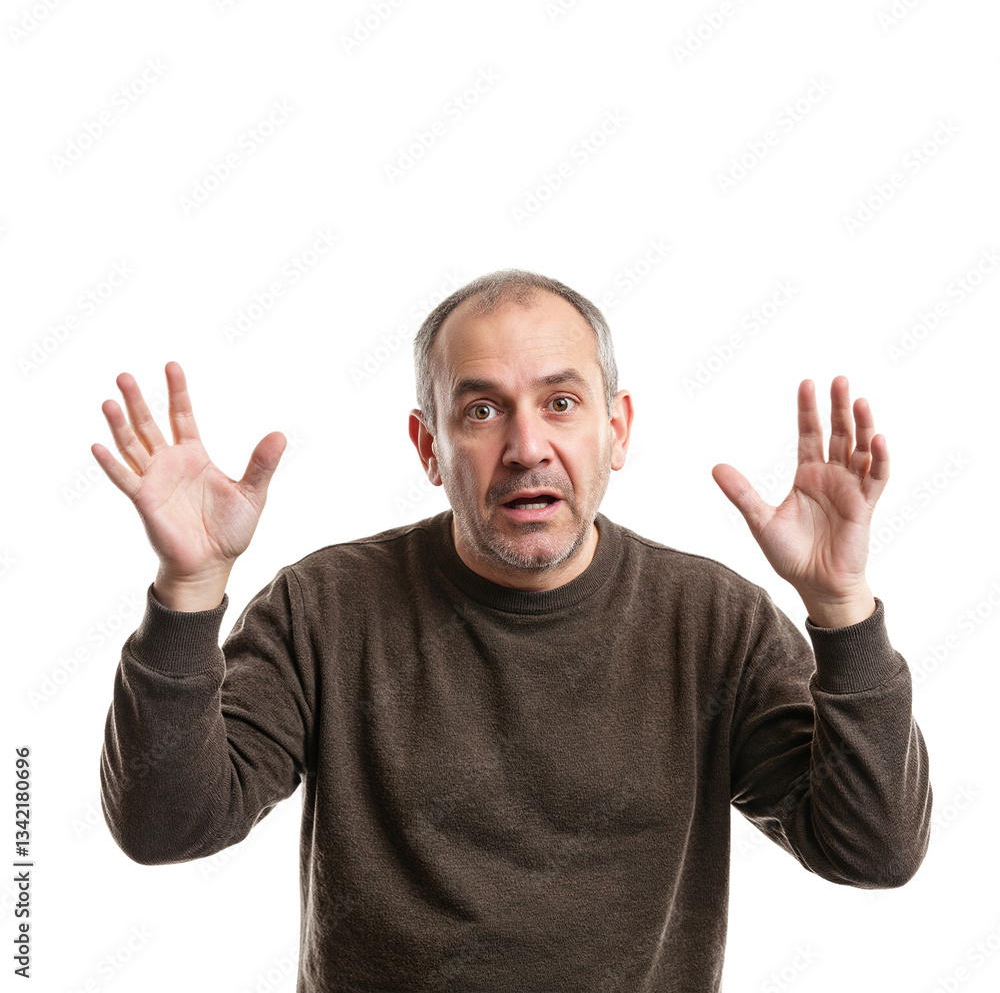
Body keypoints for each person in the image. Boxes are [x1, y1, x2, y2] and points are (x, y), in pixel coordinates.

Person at [95, 268, 932, 992]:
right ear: (429, 446)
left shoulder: (715, 623)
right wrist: (189, 591)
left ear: (616, 430)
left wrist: (842, 608)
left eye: (561, 403)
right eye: (483, 410)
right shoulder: (324, 608)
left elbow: (874, 850)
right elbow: (164, 826)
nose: (527, 446)